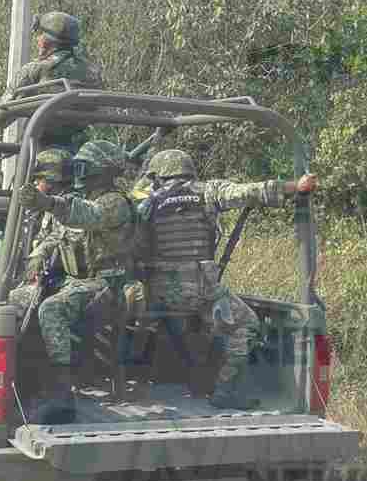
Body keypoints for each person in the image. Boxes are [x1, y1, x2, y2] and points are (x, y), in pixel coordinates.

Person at [127, 149, 317, 410]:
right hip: (199, 291)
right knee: (246, 323)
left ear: (159, 174)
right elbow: (249, 191)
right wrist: (295, 186)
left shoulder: (145, 200)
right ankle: (224, 391)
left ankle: (141, 380)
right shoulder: (206, 191)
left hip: (156, 294)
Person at [12, 140, 134, 423]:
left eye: (84, 166)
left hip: (108, 284)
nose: (78, 173)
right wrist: (38, 255)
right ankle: (29, 381)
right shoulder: (91, 198)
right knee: (22, 301)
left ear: (101, 170)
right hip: (81, 282)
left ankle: (62, 397)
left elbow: (86, 216)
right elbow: (61, 235)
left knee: (50, 309)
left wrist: (47, 202)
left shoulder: (114, 202)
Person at [0, 11, 103, 152]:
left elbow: (7, 108)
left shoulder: (35, 69)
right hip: (83, 151)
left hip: (42, 150)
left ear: (45, 41)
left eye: (39, 35)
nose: (37, 40)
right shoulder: (92, 72)